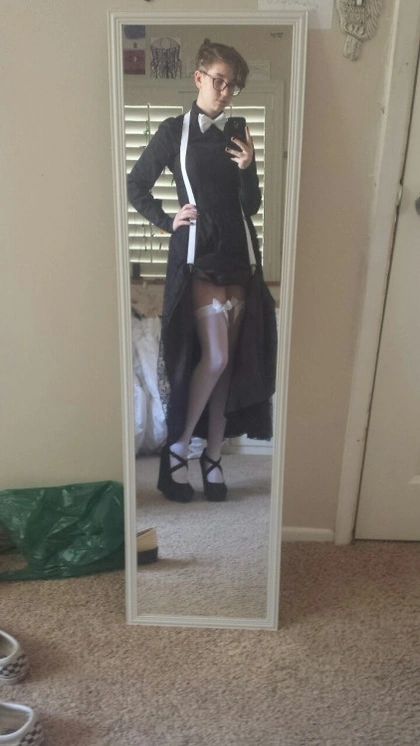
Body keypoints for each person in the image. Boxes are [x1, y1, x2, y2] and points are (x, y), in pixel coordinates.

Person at [127, 39, 277, 504]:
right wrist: (166, 219)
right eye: (219, 81)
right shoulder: (174, 132)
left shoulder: (238, 130)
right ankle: (178, 450)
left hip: (239, 257)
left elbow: (251, 205)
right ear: (198, 77)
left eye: (233, 86)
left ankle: (213, 458)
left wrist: (249, 168)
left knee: (227, 365)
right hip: (198, 258)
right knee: (214, 357)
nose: (225, 92)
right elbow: (135, 185)